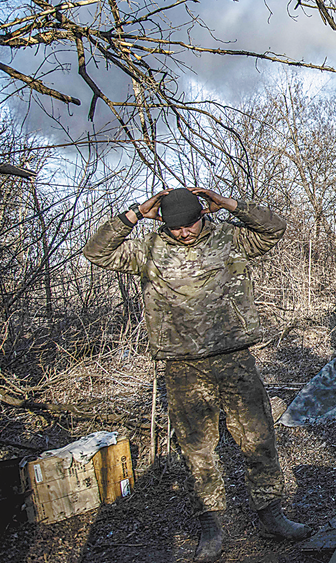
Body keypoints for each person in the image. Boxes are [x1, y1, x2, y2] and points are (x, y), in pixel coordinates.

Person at [84, 187, 309, 562]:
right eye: (176, 228)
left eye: (189, 224)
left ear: (202, 215)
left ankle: (271, 515)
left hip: (234, 356)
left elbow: (275, 228)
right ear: (164, 223)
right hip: (182, 364)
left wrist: (232, 205)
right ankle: (211, 526)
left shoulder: (231, 237)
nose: (184, 232)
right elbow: (96, 251)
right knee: (196, 447)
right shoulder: (149, 250)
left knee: (257, 438)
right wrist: (136, 214)